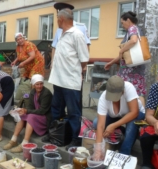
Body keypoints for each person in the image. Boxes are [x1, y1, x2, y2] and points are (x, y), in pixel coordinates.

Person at [42, 8, 89, 150]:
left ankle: (75, 139)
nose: (56, 21)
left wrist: (74, 72)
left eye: (56, 18)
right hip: (58, 80)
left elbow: (84, 59)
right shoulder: (61, 33)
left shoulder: (77, 34)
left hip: (70, 82)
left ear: (61, 19)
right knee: (56, 109)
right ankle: (55, 133)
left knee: (74, 112)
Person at [93, 76, 145, 158]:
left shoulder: (128, 88)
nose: (113, 99)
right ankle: (126, 133)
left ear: (123, 92)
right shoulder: (103, 97)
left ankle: (123, 154)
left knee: (131, 126)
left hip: (134, 114)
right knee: (96, 123)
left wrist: (113, 125)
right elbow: (100, 125)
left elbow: (134, 112)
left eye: (115, 96)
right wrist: (98, 150)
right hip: (117, 116)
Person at [3, 74, 53, 153]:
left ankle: (24, 144)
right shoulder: (33, 92)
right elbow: (29, 107)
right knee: (22, 115)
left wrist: (27, 111)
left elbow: (42, 111)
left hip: (45, 117)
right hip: (36, 114)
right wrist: (23, 110)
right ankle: (13, 140)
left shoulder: (46, 93)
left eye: (41, 84)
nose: (39, 86)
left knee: (30, 117)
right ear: (33, 85)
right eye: (37, 84)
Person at [104, 11, 146, 98]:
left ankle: (136, 111)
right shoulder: (136, 30)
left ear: (128, 20)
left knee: (132, 94)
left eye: (122, 23)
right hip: (134, 72)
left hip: (131, 72)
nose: (122, 26)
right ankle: (139, 111)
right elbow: (125, 55)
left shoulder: (132, 28)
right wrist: (111, 62)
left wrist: (121, 50)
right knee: (136, 94)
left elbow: (133, 40)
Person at [11, 33, 45, 101]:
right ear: (16, 41)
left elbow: (32, 56)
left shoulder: (28, 44)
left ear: (24, 38)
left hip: (37, 63)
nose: (20, 40)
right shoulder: (18, 47)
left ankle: (35, 97)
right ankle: (28, 93)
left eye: (21, 38)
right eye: (18, 39)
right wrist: (15, 61)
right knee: (25, 78)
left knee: (33, 78)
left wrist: (23, 63)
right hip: (28, 64)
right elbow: (20, 56)